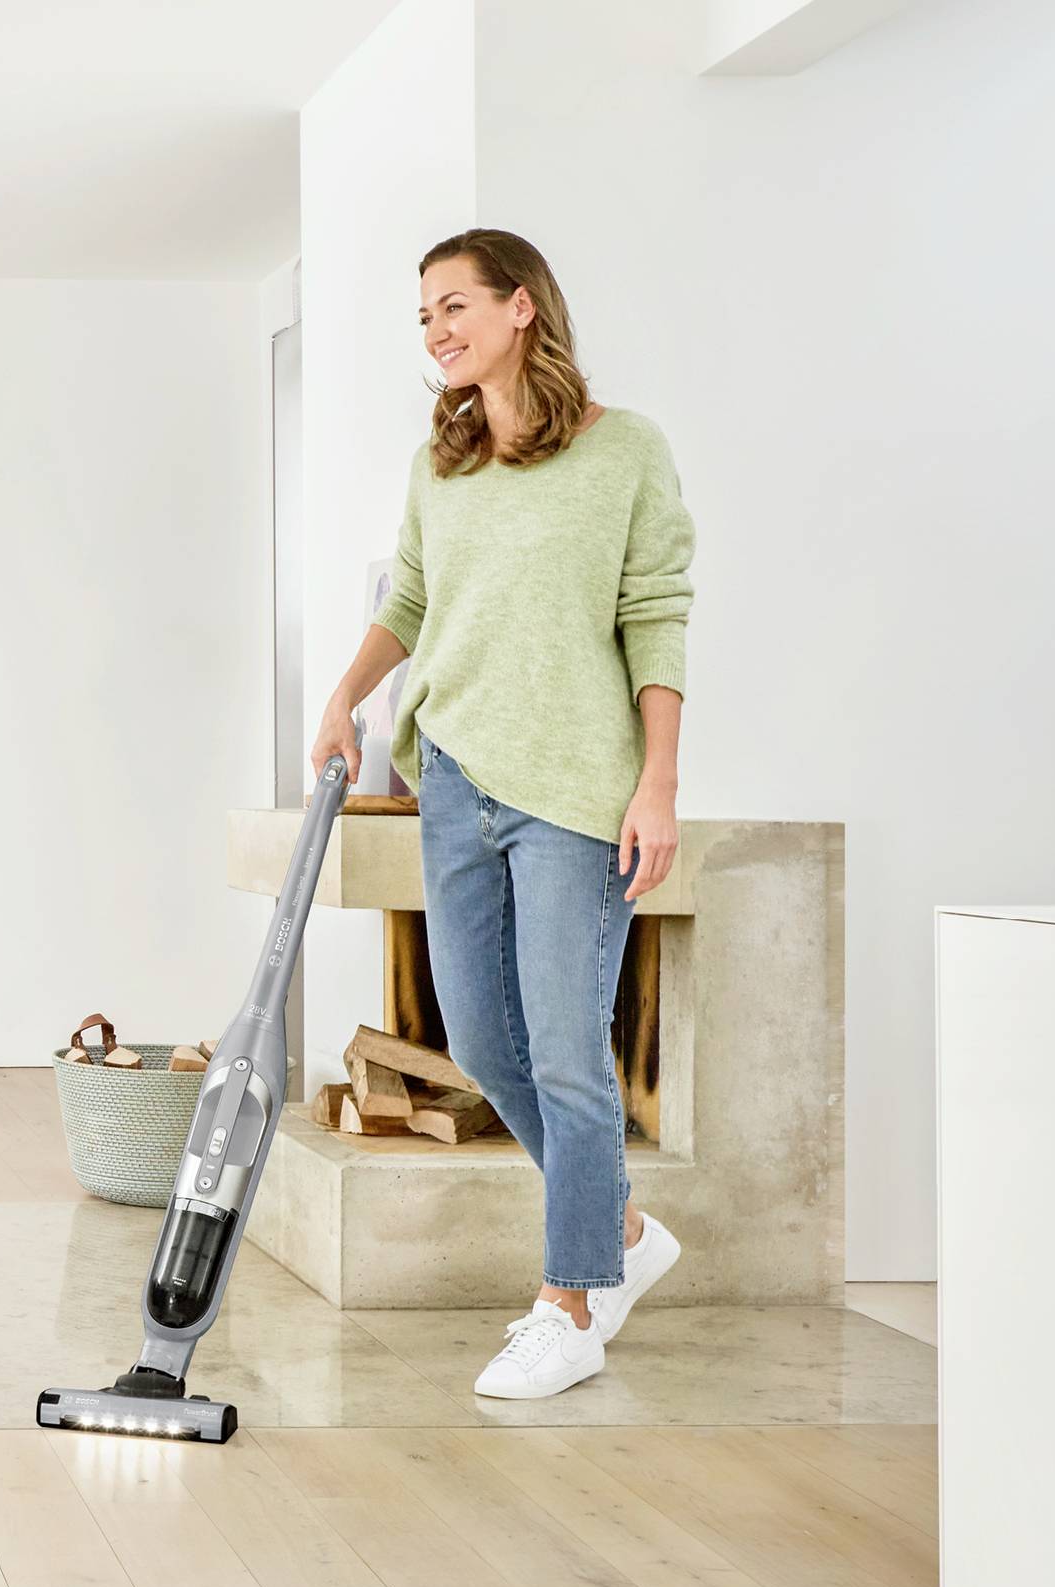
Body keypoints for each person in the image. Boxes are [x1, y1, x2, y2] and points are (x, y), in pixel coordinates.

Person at [309, 229, 694, 1401]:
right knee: (480, 1040)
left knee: (572, 1051)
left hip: (577, 791)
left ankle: (571, 1299)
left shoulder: (624, 449)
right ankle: (619, 1226)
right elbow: (415, 595)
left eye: (455, 304)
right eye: (424, 314)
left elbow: (657, 611)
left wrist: (659, 780)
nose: (436, 329)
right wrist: (344, 694)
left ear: (522, 307)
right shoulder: (445, 462)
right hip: (456, 777)